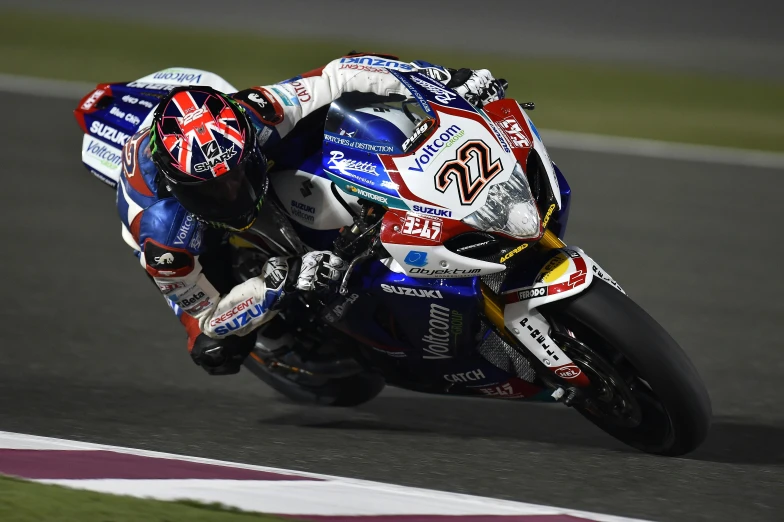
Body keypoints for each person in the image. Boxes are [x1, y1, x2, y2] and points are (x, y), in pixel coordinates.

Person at [117, 53, 505, 376]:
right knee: (215, 351)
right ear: (181, 185)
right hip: (178, 228)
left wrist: (439, 81)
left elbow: (341, 73)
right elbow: (204, 318)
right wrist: (272, 286)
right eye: (213, 188)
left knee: (333, 119)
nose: (232, 191)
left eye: (236, 174)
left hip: (237, 143)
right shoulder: (161, 230)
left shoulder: (258, 113)